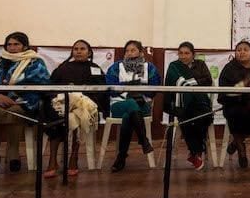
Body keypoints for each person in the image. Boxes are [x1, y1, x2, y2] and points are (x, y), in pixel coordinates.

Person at [0, 32, 50, 175]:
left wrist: (14, 95)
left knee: (13, 110)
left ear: (24, 46)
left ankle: (13, 152)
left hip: (25, 102)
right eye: (9, 44)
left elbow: (42, 83)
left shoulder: (34, 62)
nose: (12, 47)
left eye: (16, 44)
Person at [42, 40, 102, 178]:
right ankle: (52, 160)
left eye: (82, 49)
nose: (79, 51)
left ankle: (73, 157)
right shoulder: (63, 68)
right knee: (54, 115)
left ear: (89, 52)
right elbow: (51, 87)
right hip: (61, 103)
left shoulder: (95, 69)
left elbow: (100, 92)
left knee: (76, 116)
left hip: (84, 105)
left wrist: (80, 97)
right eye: (76, 49)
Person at [106, 40, 160, 172]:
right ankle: (143, 141)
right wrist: (129, 86)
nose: (129, 53)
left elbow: (154, 89)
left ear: (141, 52)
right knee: (130, 103)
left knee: (128, 115)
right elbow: (110, 89)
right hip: (119, 104)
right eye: (127, 51)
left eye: (133, 50)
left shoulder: (150, 68)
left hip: (143, 105)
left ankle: (122, 156)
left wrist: (137, 89)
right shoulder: (115, 67)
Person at [164, 42, 213, 170]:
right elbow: (171, 82)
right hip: (182, 102)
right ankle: (196, 152)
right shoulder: (174, 66)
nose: (183, 56)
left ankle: (194, 152)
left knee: (205, 116)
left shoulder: (200, 64)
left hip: (200, 101)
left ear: (193, 54)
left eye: (186, 53)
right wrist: (193, 83)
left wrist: (188, 83)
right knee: (186, 119)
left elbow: (208, 81)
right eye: (180, 53)